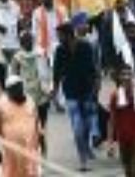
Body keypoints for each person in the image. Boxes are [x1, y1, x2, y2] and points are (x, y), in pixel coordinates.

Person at [53, 21, 100, 171]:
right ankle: (83, 160)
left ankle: (86, 147)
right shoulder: (59, 50)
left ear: (68, 34)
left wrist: (96, 87)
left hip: (87, 91)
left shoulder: (85, 46)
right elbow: (56, 72)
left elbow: (93, 69)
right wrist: (54, 92)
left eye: (60, 35)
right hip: (70, 92)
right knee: (77, 127)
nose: (58, 38)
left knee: (86, 126)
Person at [0, 75, 42, 177]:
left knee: (31, 173)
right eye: (15, 89)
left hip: (29, 151)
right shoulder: (0, 104)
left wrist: (41, 142)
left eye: (20, 87)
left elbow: (37, 123)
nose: (18, 91)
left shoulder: (30, 101)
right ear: (8, 91)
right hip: (10, 153)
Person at [107, 64, 135, 177]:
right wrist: (110, 143)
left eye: (129, 74)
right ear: (119, 77)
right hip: (123, 139)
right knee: (128, 172)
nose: (127, 77)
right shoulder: (115, 95)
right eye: (123, 74)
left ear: (133, 75)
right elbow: (111, 120)